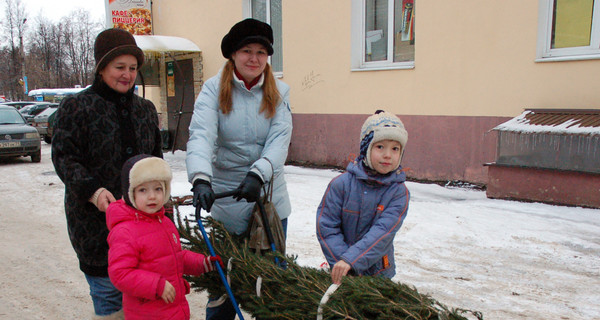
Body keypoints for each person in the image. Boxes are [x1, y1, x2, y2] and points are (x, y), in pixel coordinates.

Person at [52, 28, 163, 319]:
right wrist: (94, 191)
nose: (127, 74)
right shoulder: (77, 107)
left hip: (144, 227)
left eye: (133, 68)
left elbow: (156, 162)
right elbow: (65, 158)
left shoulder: (146, 110)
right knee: (110, 300)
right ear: (101, 68)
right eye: (119, 67)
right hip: (96, 227)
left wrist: (160, 199)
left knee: (147, 301)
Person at [186, 18, 293, 319]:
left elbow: (279, 140)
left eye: (261, 52)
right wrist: (201, 179)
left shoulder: (280, 92)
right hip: (228, 201)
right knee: (224, 290)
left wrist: (258, 173)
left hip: (269, 203)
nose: (254, 58)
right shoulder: (212, 91)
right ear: (233, 54)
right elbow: (201, 135)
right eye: (247, 50)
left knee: (268, 288)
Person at [106, 154, 222, 320]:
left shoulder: (163, 222)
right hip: (148, 314)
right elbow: (120, 274)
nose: (152, 196)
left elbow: (174, 257)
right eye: (143, 190)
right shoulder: (125, 231)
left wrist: (202, 263)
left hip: (172, 310)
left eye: (158, 189)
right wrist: (157, 285)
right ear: (130, 193)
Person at [316, 110, 410, 285]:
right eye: (380, 147)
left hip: (379, 275)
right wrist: (343, 263)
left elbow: (382, 233)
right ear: (366, 149)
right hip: (341, 271)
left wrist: (351, 261)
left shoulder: (398, 193)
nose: (388, 155)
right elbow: (327, 227)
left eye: (395, 148)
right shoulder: (341, 185)